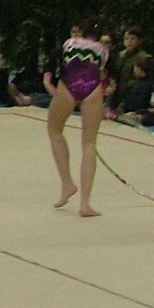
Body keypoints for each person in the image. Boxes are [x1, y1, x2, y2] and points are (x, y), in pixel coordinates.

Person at [47, 16, 107, 218]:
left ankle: (67, 183)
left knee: (54, 131)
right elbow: (105, 72)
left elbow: (55, 58)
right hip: (92, 88)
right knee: (89, 144)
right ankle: (85, 204)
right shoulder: (103, 50)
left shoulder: (70, 43)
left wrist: (48, 77)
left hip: (68, 86)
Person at [107, 26, 150, 112]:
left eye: (132, 39)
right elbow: (114, 72)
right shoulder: (120, 55)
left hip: (132, 92)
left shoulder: (143, 57)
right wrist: (112, 83)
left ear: (139, 41)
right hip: (117, 90)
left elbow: (139, 79)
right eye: (126, 38)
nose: (129, 41)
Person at [117, 52, 154, 117]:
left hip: (135, 113)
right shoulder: (137, 82)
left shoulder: (146, 85)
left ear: (139, 69)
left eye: (135, 66)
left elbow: (139, 104)